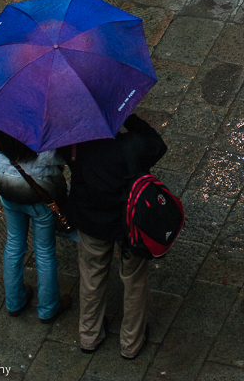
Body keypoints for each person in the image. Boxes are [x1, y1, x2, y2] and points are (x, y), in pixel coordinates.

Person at [63, 112, 166, 359]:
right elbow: (158, 145)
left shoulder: (74, 144)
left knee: (91, 276)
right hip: (130, 223)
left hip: (91, 222)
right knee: (134, 280)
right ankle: (131, 342)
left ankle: (89, 336)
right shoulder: (132, 145)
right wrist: (129, 117)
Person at [0, 126, 72, 323]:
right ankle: (48, 308)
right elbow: (60, 160)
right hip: (38, 199)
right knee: (44, 251)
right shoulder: (41, 140)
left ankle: (14, 301)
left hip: (8, 194)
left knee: (14, 244)